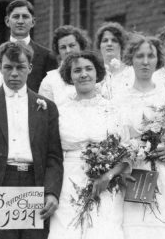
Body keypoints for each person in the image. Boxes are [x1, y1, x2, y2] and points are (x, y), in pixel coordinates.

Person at [0, 41, 63, 239]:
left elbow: (54, 156)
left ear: (30, 68)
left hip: (34, 184)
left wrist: (51, 192)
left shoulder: (46, 107)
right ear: (0, 67)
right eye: (8, 67)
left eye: (20, 67)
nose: (14, 73)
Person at [46, 51, 127, 239]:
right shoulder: (59, 110)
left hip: (105, 184)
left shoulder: (112, 109)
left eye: (89, 69)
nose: (83, 74)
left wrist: (109, 175)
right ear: (69, 75)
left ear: (97, 73)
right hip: (68, 183)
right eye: (77, 70)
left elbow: (126, 152)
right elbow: (51, 154)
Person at [113, 34, 165, 239]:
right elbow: (115, 139)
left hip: (163, 173)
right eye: (140, 56)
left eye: (150, 56)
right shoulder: (120, 98)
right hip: (133, 173)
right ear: (131, 59)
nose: (145, 62)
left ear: (158, 60)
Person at [0, 0, 59, 93]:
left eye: (25, 17)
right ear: (7, 21)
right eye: (16, 17)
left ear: (33, 22)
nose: (20, 21)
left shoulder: (47, 57)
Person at [38, 25, 89, 103]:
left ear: (81, 46)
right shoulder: (50, 80)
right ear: (58, 51)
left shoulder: (92, 74)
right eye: (63, 47)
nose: (68, 51)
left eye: (72, 45)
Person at [93, 22, 132, 99]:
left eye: (114, 40)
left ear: (121, 45)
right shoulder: (94, 75)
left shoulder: (131, 72)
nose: (109, 44)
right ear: (99, 45)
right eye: (105, 40)